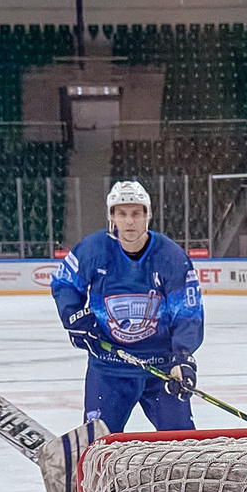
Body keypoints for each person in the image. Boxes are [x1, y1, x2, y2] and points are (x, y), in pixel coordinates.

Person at [49, 180, 203, 438]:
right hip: (109, 366)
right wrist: (74, 318)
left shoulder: (170, 257)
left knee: (183, 443)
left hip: (161, 368)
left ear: (147, 216)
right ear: (112, 217)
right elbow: (64, 282)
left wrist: (183, 357)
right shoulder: (94, 249)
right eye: (122, 213)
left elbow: (187, 313)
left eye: (136, 213)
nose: (129, 221)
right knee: (97, 445)